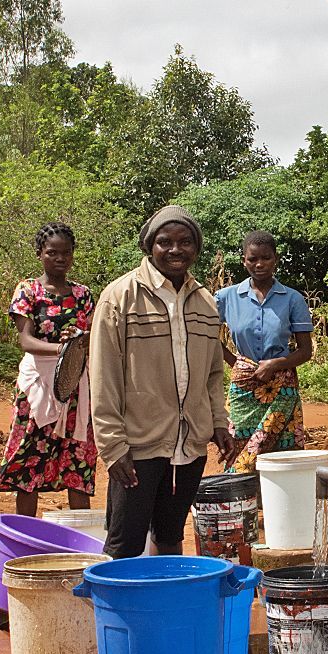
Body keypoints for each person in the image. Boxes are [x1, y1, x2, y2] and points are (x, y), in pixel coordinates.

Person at [90, 205, 234, 558]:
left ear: (195, 248)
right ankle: (116, 613)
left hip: (189, 445)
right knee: (124, 543)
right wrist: (112, 446)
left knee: (170, 535)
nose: (175, 249)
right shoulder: (120, 297)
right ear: (149, 246)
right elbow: (103, 375)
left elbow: (213, 373)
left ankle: (162, 608)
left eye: (185, 241)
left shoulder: (205, 303)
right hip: (137, 444)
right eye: (165, 241)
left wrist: (216, 422)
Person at [0, 222, 97, 516]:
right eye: (52, 252)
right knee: (30, 459)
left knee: (76, 458)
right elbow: (26, 340)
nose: (60, 258)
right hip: (38, 383)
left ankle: (80, 544)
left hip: (76, 384)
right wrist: (63, 351)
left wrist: (80, 342)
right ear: (40, 253)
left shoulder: (83, 295)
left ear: (73, 255)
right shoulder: (28, 291)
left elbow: (93, 336)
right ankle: (26, 539)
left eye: (66, 253)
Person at [215, 230, 313, 474]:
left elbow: (305, 351)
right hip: (244, 387)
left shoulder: (292, 299)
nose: (259, 264)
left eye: (266, 258)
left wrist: (275, 364)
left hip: (281, 386)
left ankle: (276, 503)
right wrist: (236, 363)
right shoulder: (226, 297)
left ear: (276, 259)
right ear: (244, 260)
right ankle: (242, 502)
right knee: (237, 444)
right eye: (252, 259)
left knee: (282, 448)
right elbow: (205, 338)